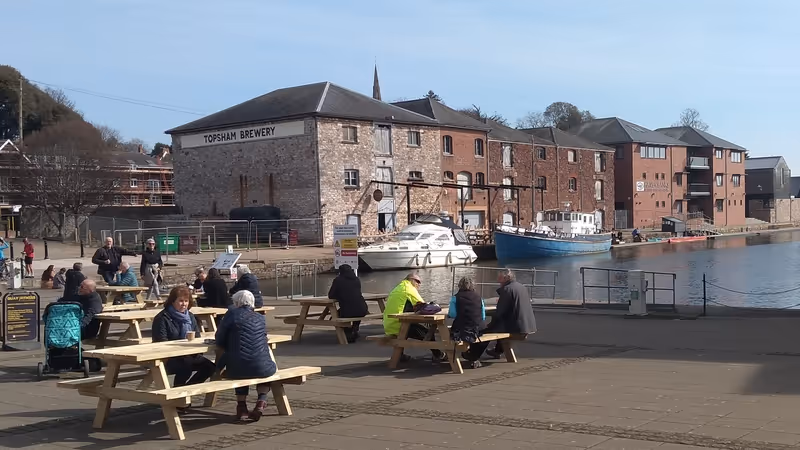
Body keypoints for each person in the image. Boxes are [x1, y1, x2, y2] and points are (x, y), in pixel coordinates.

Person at [216, 290, 277, 421]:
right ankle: (261, 401)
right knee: (266, 366)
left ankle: (242, 407)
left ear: (236, 303)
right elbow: (263, 338)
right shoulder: (260, 317)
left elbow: (219, 340)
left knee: (239, 364)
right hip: (262, 368)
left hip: (237, 368)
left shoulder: (231, 315)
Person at [462, 269, 537, 363]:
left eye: (500, 277)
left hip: (516, 327)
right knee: (499, 327)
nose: (497, 279)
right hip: (527, 325)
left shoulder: (507, 290)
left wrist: (490, 325)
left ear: (506, 278)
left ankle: (472, 355)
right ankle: (497, 351)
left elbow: (500, 312)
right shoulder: (521, 287)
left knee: (485, 331)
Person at [152, 286, 215, 393]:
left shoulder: (190, 316)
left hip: (189, 354)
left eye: (186, 301)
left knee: (210, 367)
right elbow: (161, 342)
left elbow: (197, 336)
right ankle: (178, 394)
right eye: (181, 301)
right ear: (172, 301)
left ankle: (186, 391)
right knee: (185, 366)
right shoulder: (162, 318)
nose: (184, 304)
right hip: (168, 357)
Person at [383, 273, 444, 362]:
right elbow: (424, 307)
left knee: (409, 326)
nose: (419, 284)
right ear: (411, 280)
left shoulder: (398, 288)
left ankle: (399, 355)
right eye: (417, 281)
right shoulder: (409, 288)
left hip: (389, 324)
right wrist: (435, 306)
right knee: (427, 334)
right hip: (398, 325)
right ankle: (438, 355)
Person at [449, 277, 486, 369]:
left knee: (449, 332)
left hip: (462, 328)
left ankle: (469, 355)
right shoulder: (479, 297)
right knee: (485, 335)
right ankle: (473, 356)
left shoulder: (455, 298)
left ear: (459, 285)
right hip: (477, 328)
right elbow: (483, 316)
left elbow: (452, 314)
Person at [327, 264, 367, 343]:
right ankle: (355, 329)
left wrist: (340, 296)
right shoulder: (356, 279)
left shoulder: (338, 280)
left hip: (347, 311)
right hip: (363, 309)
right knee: (355, 309)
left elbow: (331, 295)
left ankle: (347, 332)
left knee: (338, 313)